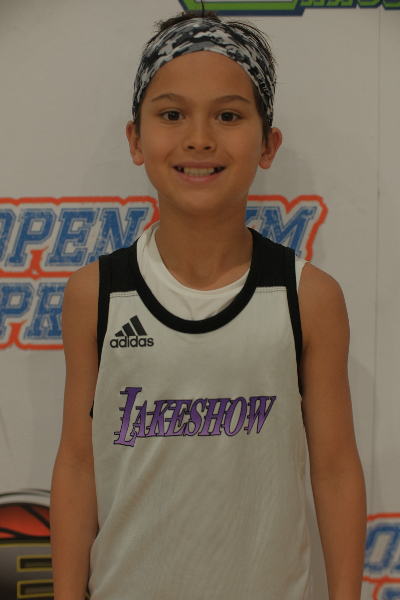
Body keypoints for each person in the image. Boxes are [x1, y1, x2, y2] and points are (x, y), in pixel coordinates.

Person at [50, 8, 367, 600]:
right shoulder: (96, 294)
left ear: (268, 144)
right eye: (172, 114)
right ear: (135, 139)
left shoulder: (308, 297)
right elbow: (77, 464)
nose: (199, 138)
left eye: (228, 115)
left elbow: (334, 469)